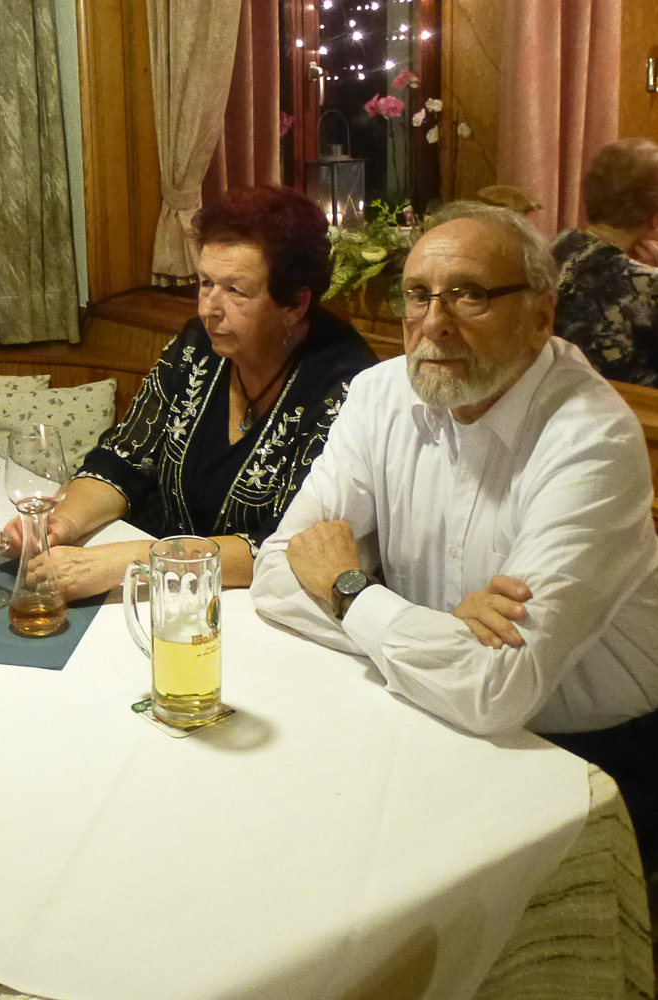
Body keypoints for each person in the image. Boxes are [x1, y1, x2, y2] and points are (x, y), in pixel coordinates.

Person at [250, 203, 658, 868]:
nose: (433, 323)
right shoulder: (378, 394)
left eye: (470, 295)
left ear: (540, 317)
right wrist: (440, 634)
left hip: (591, 754)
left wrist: (350, 592)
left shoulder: (591, 438)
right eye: (417, 294)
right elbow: (275, 576)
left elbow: (495, 687)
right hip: (425, 704)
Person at [7, 185, 376, 600]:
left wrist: (131, 561)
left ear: (295, 304)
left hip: (262, 606)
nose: (207, 309)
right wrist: (64, 523)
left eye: (235, 291)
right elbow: (123, 459)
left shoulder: (347, 387)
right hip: (169, 593)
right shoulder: (199, 346)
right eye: (205, 283)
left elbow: (291, 545)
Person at [550, 138, 658, 386]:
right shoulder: (646, 284)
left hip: (554, 395)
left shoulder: (560, 245)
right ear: (653, 218)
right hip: (632, 404)